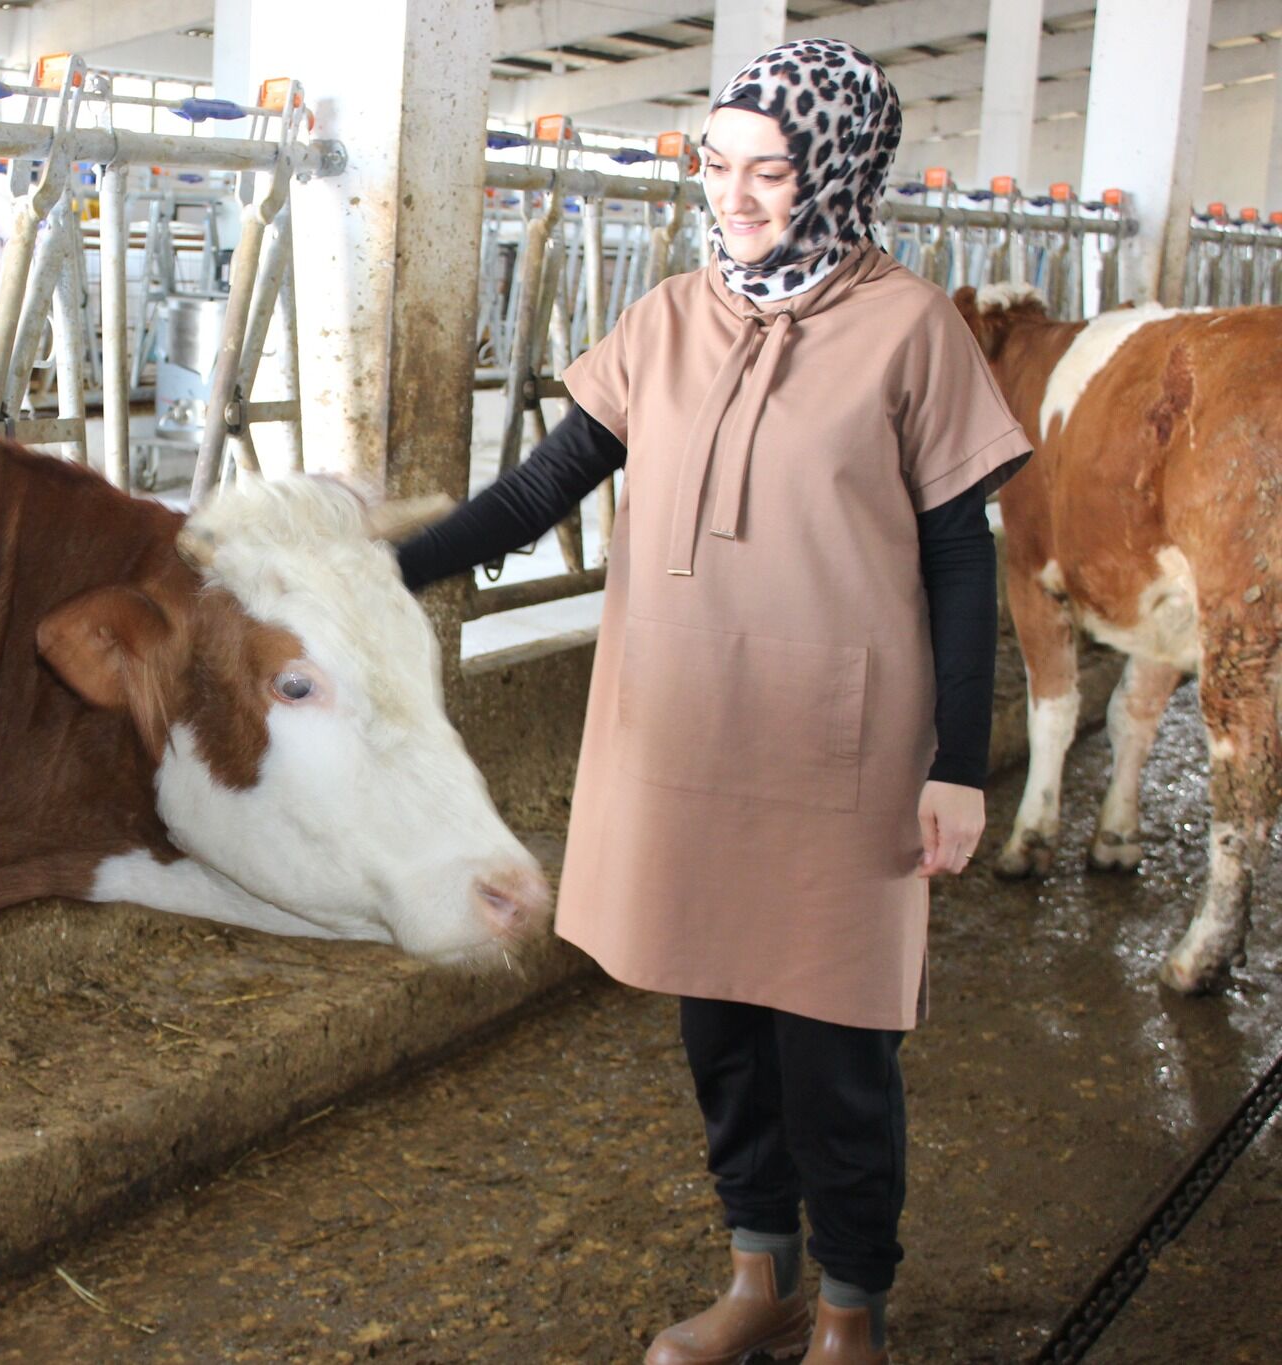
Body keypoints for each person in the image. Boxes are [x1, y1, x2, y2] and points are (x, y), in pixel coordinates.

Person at [399, 40, 1030, 1365]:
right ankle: (765, 1278)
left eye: (771, 171)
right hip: (685, 733)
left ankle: (852, 1312)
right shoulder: (671, 318)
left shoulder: (910, 329)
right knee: (721, 1033)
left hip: (842, 750)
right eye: (719, 164)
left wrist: (960, 764)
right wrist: (380, 563)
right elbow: (539, 491)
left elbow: (963, 558)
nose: (735, 197)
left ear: (838, 171)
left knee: (837, 1052)